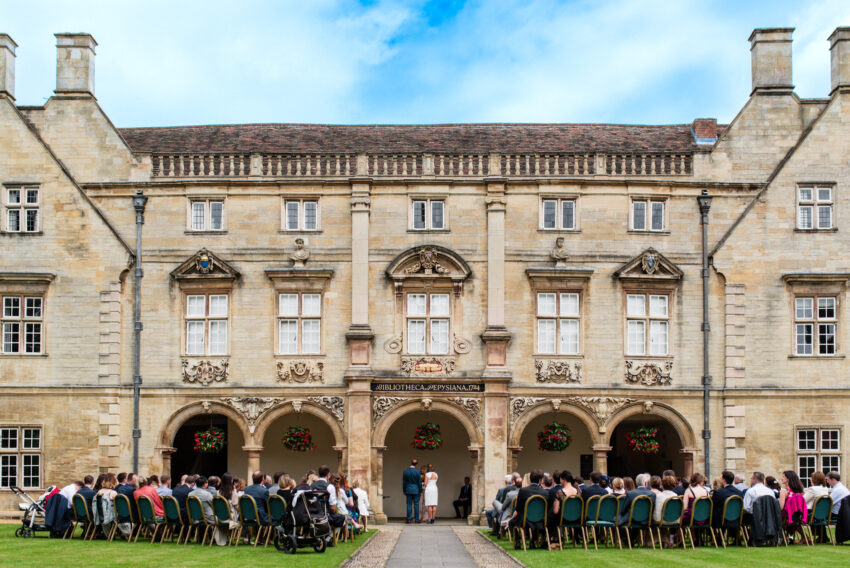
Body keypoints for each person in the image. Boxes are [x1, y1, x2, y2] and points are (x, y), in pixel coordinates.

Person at [509, 470, 549, 549]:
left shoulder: (523, 491)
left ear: (530, 479)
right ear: (540, 481)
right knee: (535, 524)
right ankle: (533, 540)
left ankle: (517, 542)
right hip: (541, 520)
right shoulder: (545, 492)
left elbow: (518, 508)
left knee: (511, 523)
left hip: (525, 520)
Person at [779, 470, 808, 543]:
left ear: (788, 479)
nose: (781, 478)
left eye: (783, 477)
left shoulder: (784, 491)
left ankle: (784, 537)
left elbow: (781, 507)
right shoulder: (799, 491)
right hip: (797, 517)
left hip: (786, 517)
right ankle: (805, 537)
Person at [213, 472, 240, 546]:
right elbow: (237, 506)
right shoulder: (233, 492)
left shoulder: (218, 492)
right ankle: (246, 539)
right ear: (231, 481)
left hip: (220, 517)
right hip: (231, 517)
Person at [403, 459, 423, 524]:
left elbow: (404, 482)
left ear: (411, 463)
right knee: (416, 505)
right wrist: (420, 490)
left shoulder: (406, 471)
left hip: (408, 489)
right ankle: (416, 520)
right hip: (416, 489)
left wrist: (404, 490)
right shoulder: (417, 472)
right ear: (416, 464)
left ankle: (409, 519)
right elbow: (419, 482)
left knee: (409, 504)